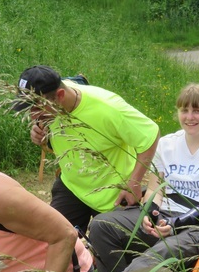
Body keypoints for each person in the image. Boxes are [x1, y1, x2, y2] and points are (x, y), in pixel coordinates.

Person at [89, 84, 199, 272]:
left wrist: (177, 224)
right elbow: (154, 189)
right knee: (102, 225)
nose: (190, 117)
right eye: (184, 110)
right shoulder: (167, 144)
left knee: (162, 250)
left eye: (197, 110)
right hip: (164, 216)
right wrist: (150, 214)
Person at [12, 65, 160, 235]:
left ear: (60, 96)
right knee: (51, 239)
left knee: (108, 255)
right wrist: (42, 138)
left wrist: (134, 182)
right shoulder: (52, 102)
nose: (32, 115)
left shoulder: (108, 108)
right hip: (71, 186)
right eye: (28, 109)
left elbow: (151, 134)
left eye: (36, 108)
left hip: (112, 195)